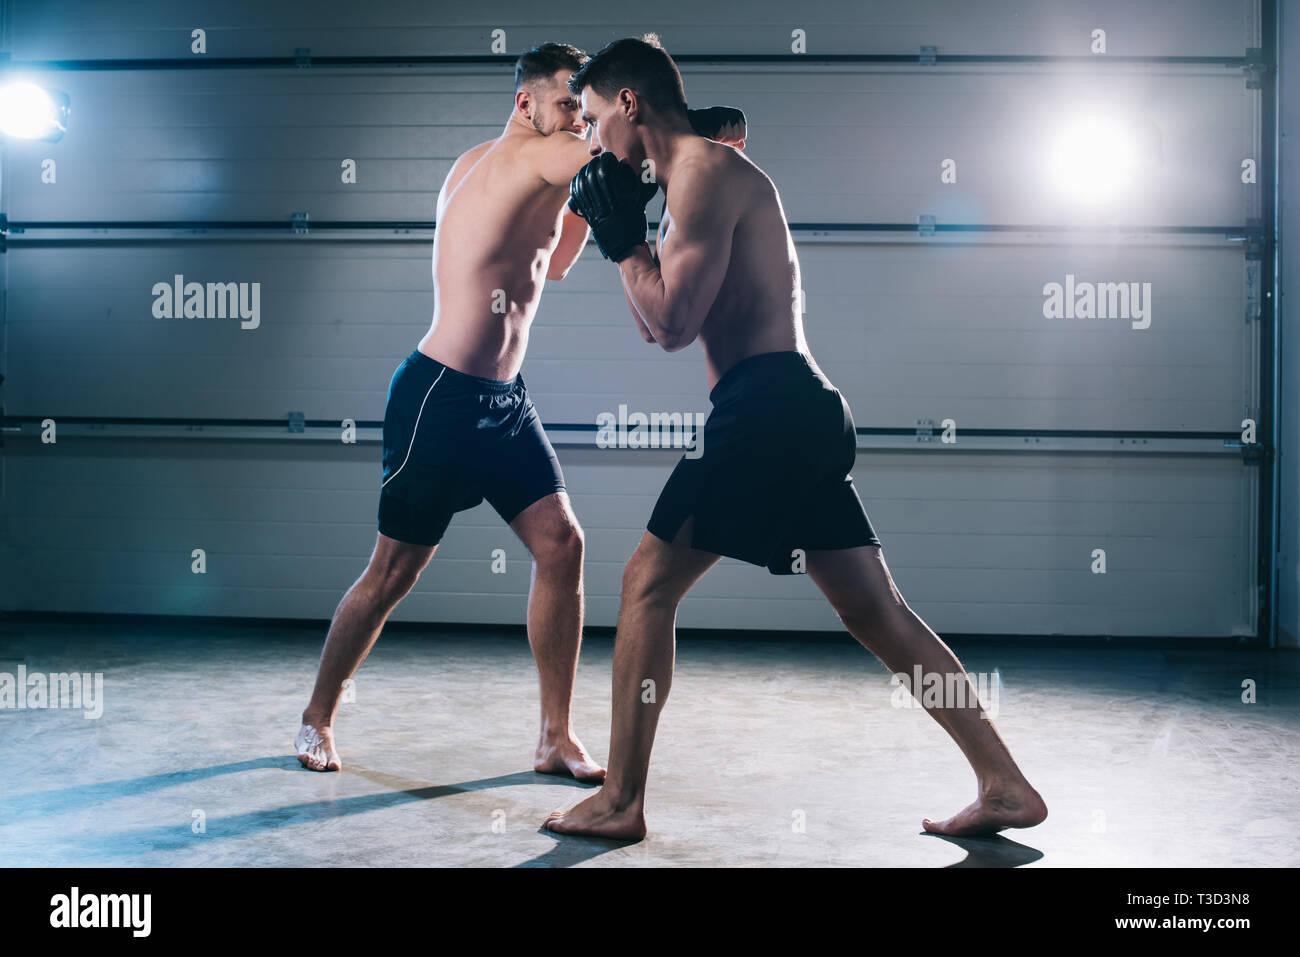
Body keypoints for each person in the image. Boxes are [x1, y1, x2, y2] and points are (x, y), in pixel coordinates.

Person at [545, 35, 1047, 839]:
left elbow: (670, 321)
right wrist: (632, 234)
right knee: (877, 612)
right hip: (794, 408)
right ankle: (1004, 782)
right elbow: (658, 322)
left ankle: (620, 799)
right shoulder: (688, 179)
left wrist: (622, 244)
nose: (593, 136)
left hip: (767, 408)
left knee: (646, 584)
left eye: (597, 116)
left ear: (630, 104)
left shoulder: (705, 174)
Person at [295, 41, 745, 780]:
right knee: (392, 571)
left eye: (584, 107)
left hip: (501, 401)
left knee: (561, 546)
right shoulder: (529, 156)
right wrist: (695, 127)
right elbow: (619, 163)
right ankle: (317, 717)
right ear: (525, 104)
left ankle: (553, 736)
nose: (581, 120)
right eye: (571, 105)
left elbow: (560, 258)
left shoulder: (504, 163)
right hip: (439, 397)